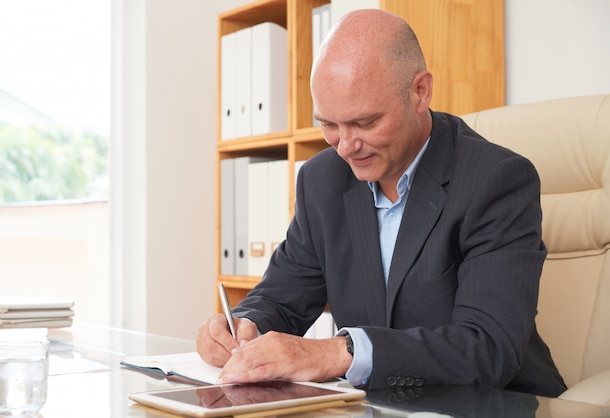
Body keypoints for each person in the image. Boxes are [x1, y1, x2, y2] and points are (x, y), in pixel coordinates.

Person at [197, 9, 567, 397]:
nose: (345, 146)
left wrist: (339, 353)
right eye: (328, 124)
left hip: (496, 404)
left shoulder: (496, 180)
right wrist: (243, 326)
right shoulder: (320, 180)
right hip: (377, 406)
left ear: (420, 91)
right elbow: (280, 298)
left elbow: (488, 347)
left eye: (365, 123)